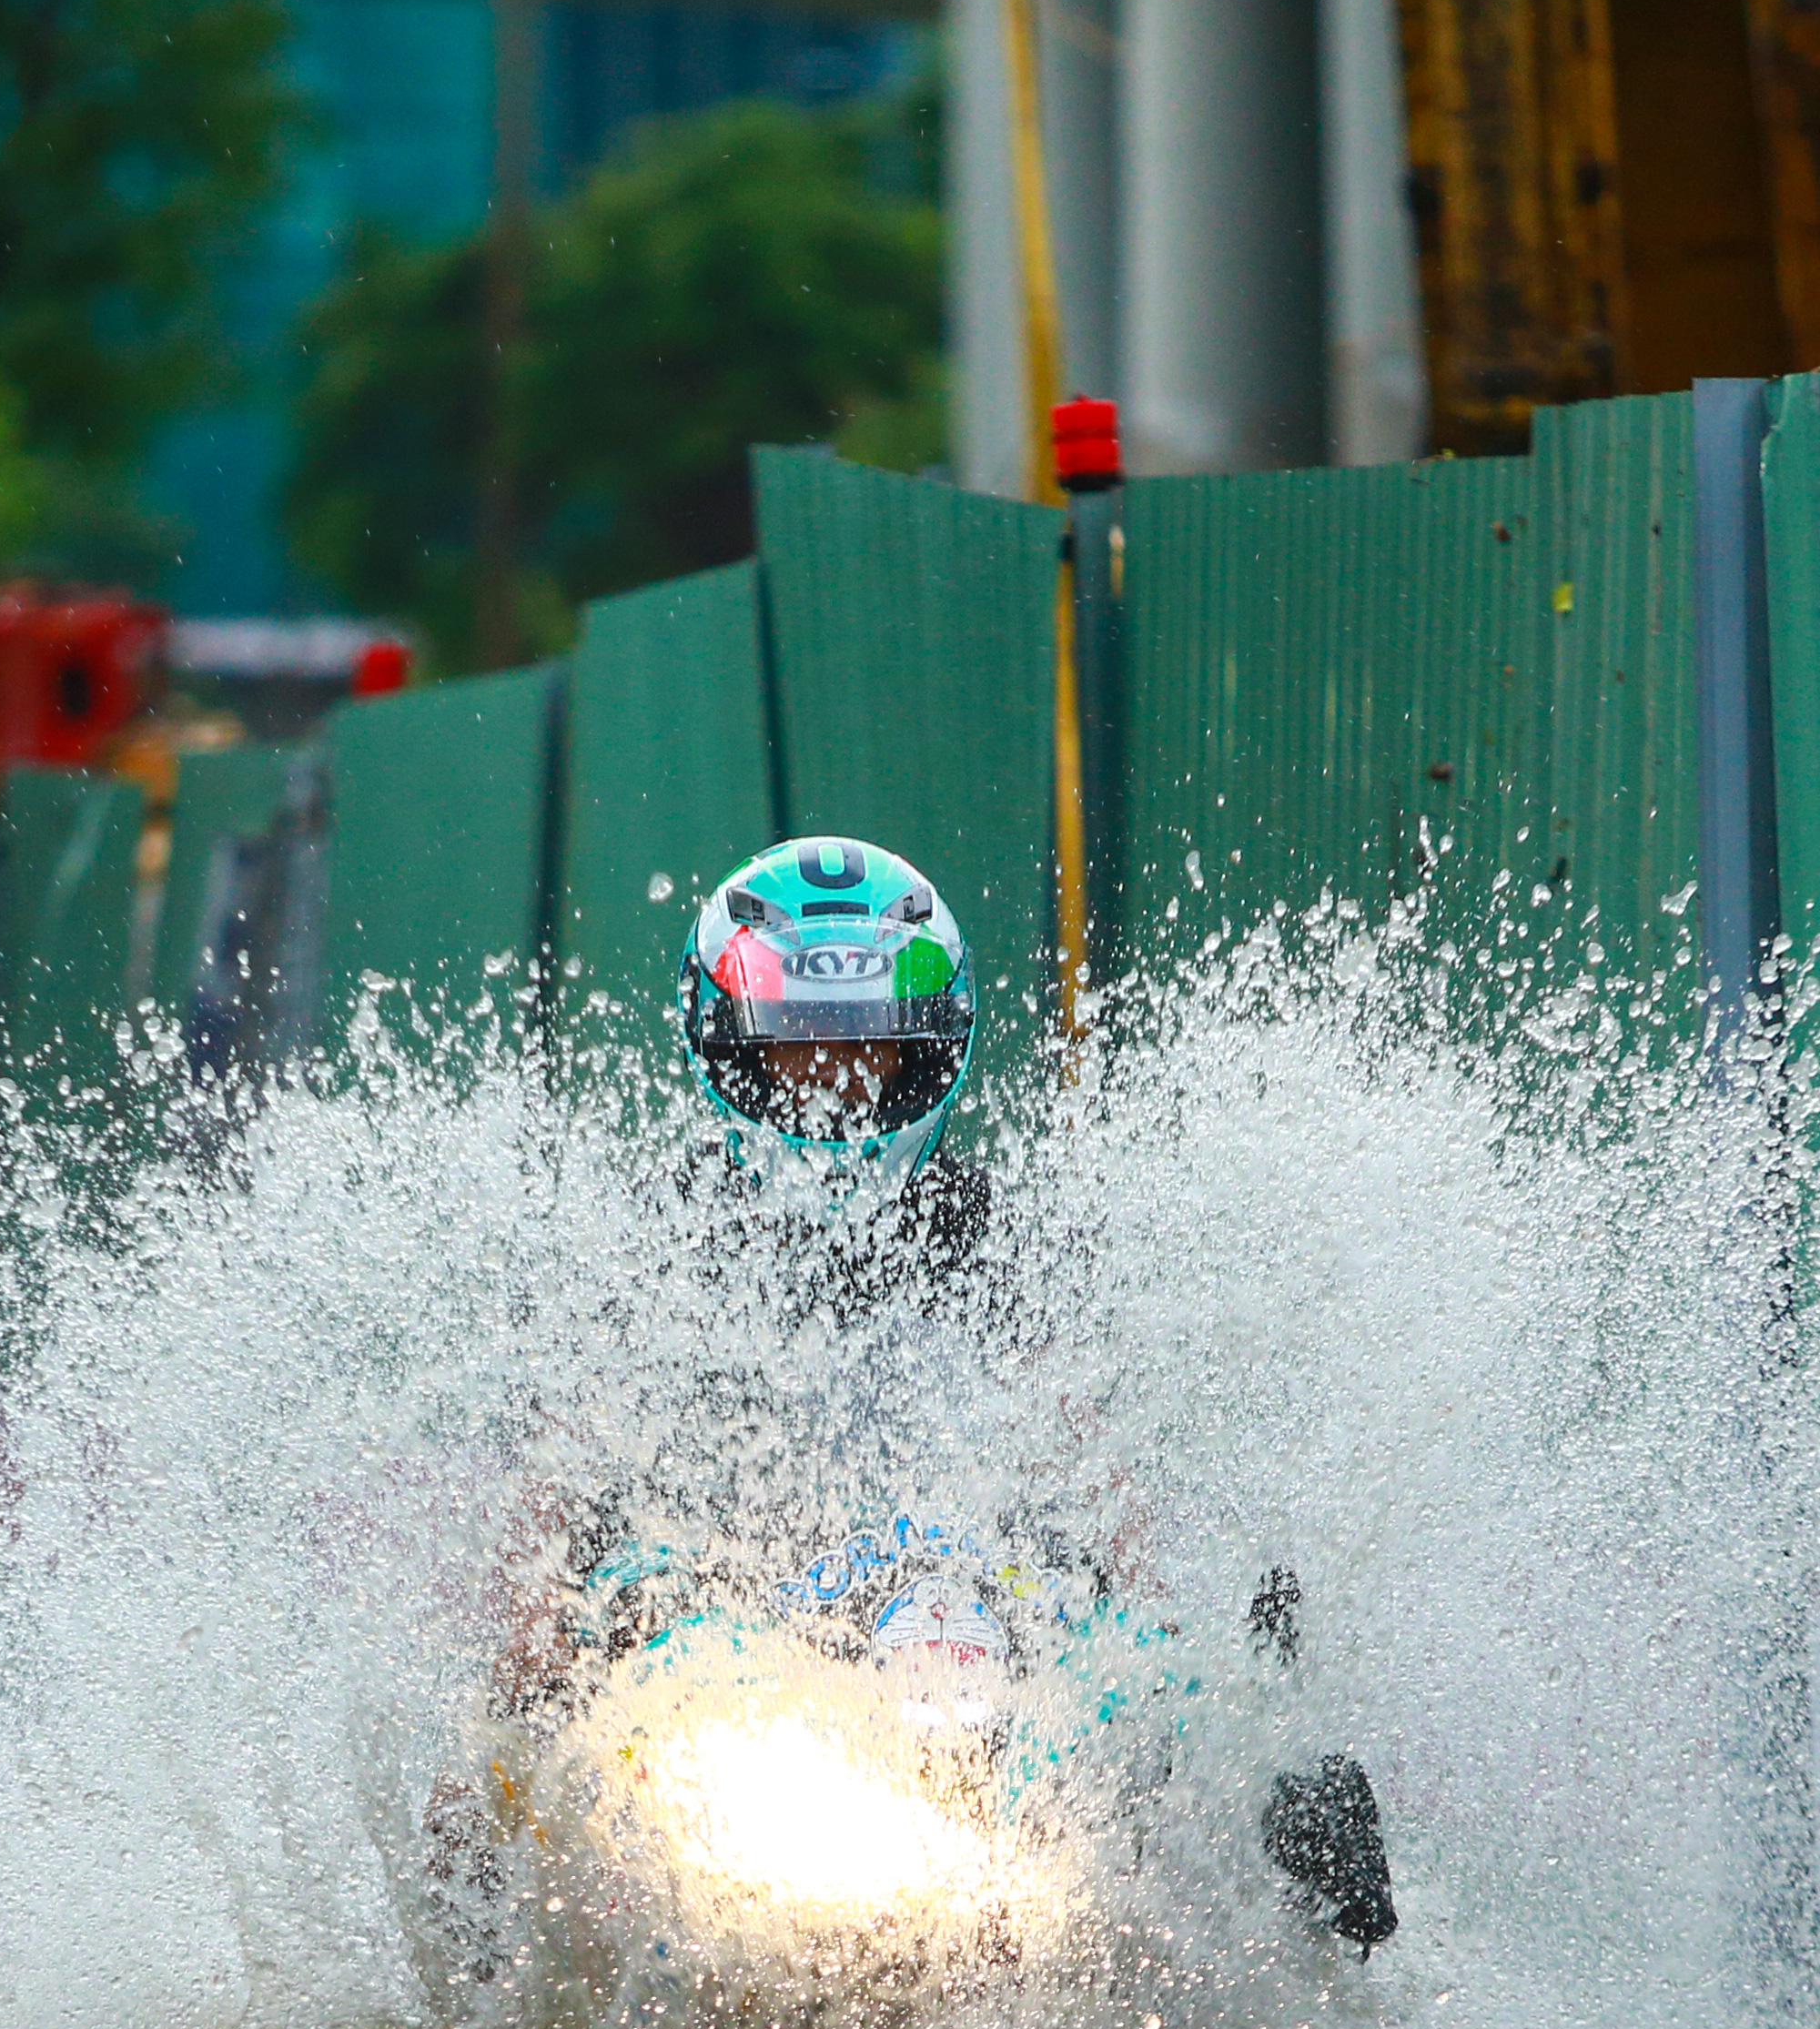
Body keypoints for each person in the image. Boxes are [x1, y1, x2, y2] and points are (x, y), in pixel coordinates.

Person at [503, 832, 1396, 1950]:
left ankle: (1268, 1839)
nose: (834, 1075)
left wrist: (1181, 1689)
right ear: (733, 1051)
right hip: (726, 1660)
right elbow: (551, 1520)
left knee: (1139, 1738)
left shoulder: (995, 1243)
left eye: (867, 1046)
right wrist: (508, 1733)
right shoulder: (656, 1249)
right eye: (802, 1047)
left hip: (956, 1643)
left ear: (923, 1051)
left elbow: (1098, 1494)